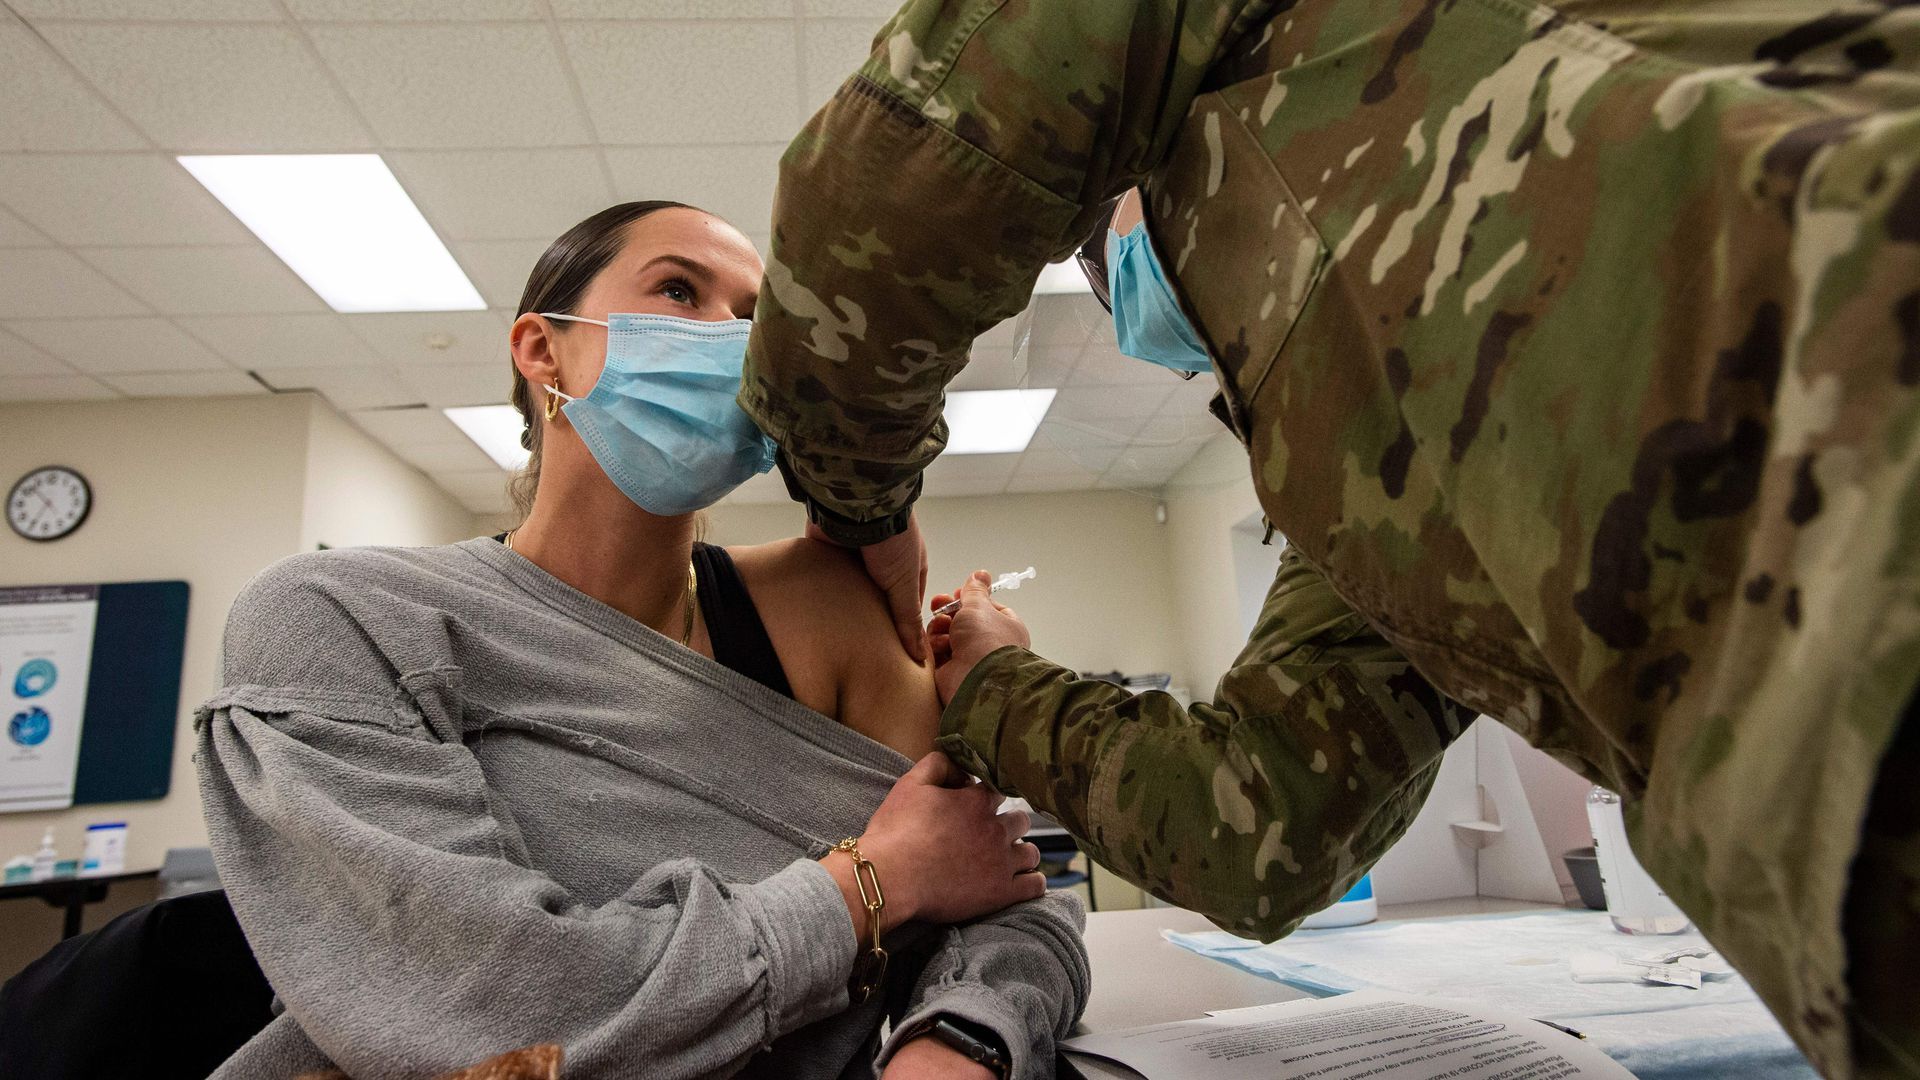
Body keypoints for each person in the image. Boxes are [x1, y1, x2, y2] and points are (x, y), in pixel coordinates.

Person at [735, 2, 1920, 1076]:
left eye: (1107, 253)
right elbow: (1259, 825)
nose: (1120, 284)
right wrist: (997, 681)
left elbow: (887, 191)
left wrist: (860, 507)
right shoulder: (1360, 463)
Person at [194, 200, 1087, 1080]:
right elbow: (496, 1019)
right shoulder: (348, 616)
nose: (729, 339)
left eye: (754, 321)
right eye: (678, 291)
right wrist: (869, 887)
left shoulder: (821, 603)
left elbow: (998, 892)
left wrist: (959, 1041)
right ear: (545, 348)